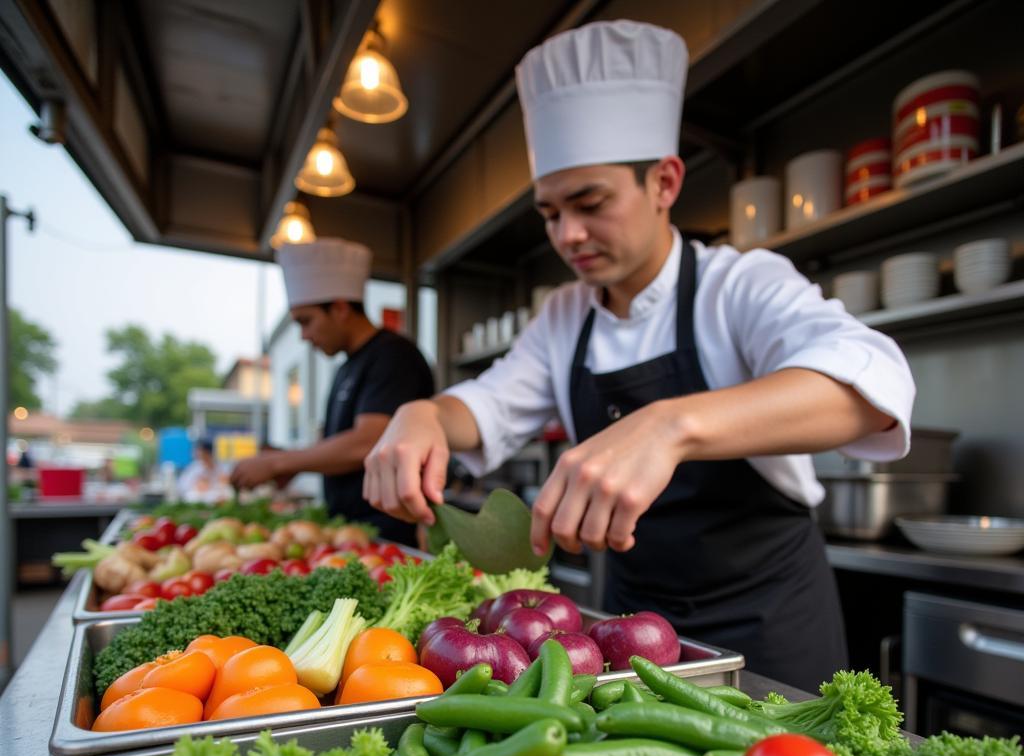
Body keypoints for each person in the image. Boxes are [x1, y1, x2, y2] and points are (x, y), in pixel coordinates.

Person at [363, 20, 916, 691]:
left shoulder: (737, 284)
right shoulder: (566, 316)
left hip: (768, 623)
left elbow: (871, 381)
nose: (568, 234)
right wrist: (422, 413)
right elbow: (486, 404)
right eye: (549, 212)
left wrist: (669, 425)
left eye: (590, 203)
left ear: (664, 181)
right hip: (625, 636)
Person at [230, 238, 434, 545]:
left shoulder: (394, 356)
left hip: (386, 535)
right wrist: (292, 461)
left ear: (339, 308)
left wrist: (279, 462)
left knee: (353, 597)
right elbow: (337, 441)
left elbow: (368, 441)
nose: (304, 336)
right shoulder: (346, 368)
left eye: (306, 321)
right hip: (347, 532)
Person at [178, 437, 229, 502]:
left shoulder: (221, 466)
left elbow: (225, 483)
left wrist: (223, 483)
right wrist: (197, 485)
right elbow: (182, 485)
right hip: (201, 496)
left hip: (216, 494)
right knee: (192, 496)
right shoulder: (195, 467)